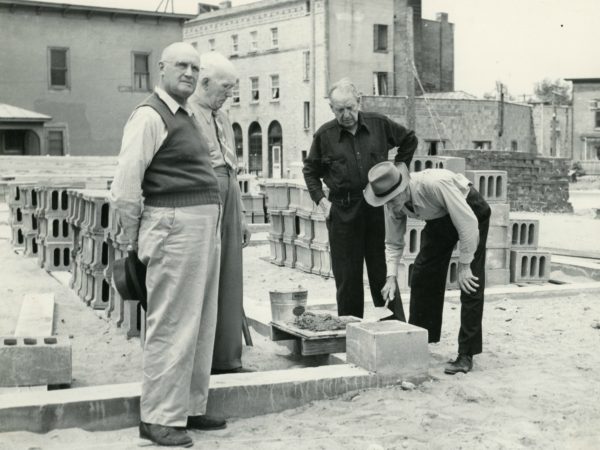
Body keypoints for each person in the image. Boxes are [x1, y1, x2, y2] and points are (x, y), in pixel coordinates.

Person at [110, 42, 225, 448]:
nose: (190, 73)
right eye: (182, 65)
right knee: (172, 323)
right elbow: (125, 186)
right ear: (161, 68)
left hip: (199, 227)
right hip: (173, 226)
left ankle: (189, 407)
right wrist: (129, 241)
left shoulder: (189, 114)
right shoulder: (149, 115)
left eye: (195, 67)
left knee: (198, 324)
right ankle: (158, 416)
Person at [303, 78, 418, 321]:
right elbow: (310, 172)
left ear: (359, 102)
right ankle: (351, 334)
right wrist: (323, 204)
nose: (346, 114)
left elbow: (409, 139)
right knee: (348, 279)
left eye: (350, 108)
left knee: (382, 272)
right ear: (332, 109)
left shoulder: (379, 124)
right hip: (342, 212)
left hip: (377, 209)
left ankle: (394, 329)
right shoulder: (324, 135)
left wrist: (399, 170)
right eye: (339, 110)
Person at [363, 161, 491, 374]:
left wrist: (465, 265)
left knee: (470, 282)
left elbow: (467, 225)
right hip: (439, 217)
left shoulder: (434, 185)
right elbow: (393, 243)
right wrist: (391, 277)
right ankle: (421, 340)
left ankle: (466, 354)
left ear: (403, 188)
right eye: (385, 202)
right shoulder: (392, 202)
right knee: (422, 274)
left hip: (470, 211)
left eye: (393, 200)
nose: (392, 207)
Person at [190, 51, 251, 375]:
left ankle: (228, 358)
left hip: (228, 199)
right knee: (205, 278)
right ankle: (204, 360)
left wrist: (239, 215)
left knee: (230, 277)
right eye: (226, 88)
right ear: (205, 82)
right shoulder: (187, 115)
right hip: (203, 199)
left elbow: (232, 170)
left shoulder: (223, 118)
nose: (230, 94)